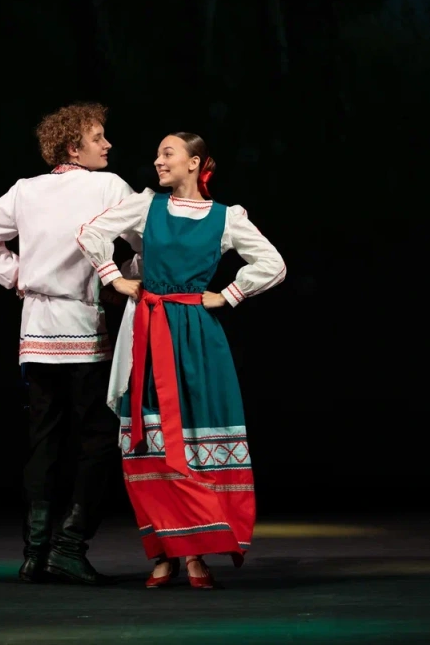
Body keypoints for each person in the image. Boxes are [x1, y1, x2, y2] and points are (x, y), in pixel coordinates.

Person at [75, 132, 286, 588]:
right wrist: (115, 278)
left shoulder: (225, 218)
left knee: (193, 438)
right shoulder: (146, 206)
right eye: (157, 153)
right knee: (150, 440)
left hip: (196, 337)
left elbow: (273, 264)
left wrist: (227, 295)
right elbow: (91, 233)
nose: (158, 160)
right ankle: (163, 552)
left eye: (167, 153)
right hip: (148, 332)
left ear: (195, 162)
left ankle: (193, 553)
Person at [0, 102, 141, 586]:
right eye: (98, 137)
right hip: (82, 324)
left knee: (44, 439)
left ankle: (35, 552)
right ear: (73, 148)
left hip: (38, 330)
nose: (107, 144)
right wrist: (124, 278)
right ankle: (68, 545)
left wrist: (20, 276)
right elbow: (145, 239)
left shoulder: (26, 190)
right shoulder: (108, 186)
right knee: (98, 436)